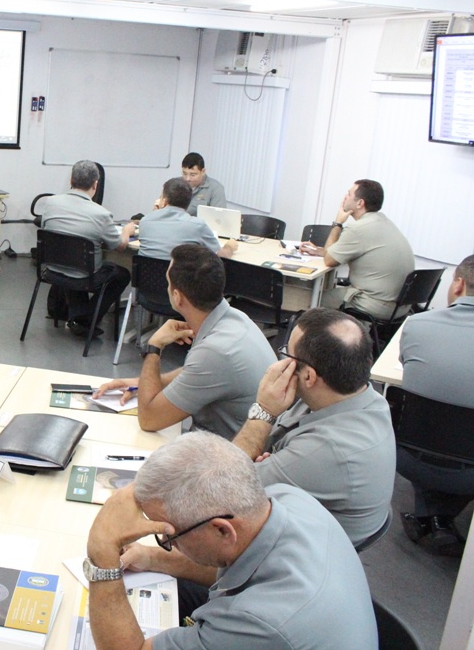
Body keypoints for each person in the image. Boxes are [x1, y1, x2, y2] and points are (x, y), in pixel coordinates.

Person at [86, 431, 377, 650]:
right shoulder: (289, 500)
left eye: (170, 536)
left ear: (222, 530)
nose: (168, 543)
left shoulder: (258, 621)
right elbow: (232, 564)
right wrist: (152, 557)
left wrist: (102, 556)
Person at [231, 307, 395, 547]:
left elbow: (225, 488)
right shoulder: (362, 398)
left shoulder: (328, 450)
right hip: (296, 522)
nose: (284, 361)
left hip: (287, 558)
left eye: (288, 354)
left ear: (309, 376)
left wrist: (263, 411)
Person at [95, 244, 274, 439]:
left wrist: (154, 347)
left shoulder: (216, 352)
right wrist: (141, 384)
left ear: (177, 296)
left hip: (223, 458)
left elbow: (148, 420)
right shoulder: (235, 319)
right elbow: (198, 373)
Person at [397, 254, 474, 556]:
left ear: (458, 284)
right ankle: (442, 517)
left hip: (406, 457)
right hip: (469, 472)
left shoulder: (416, 325)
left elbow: (407, 370)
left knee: (432, 420)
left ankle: (430, 515)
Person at [39, 159, 138, 337]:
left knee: (73, 260)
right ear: (95, 184)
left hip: (52, 269)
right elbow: (119, 245)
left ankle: (78, 316)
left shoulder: (50, 203)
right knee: (121, 274)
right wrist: (127, 230)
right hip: (82, 275)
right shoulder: (100, 214)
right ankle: (86, 319)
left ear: (71, 180)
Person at [300, 179, 414, 320]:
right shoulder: (383, 222)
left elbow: (329, 261)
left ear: (360, 203)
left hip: (376, 305)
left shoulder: (358, 229)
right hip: (400, 306)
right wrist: (322, 251)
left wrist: (338, 223)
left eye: (348, 194)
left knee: (311, 298)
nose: (345, 197)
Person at [137, 178, 238, 260]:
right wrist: (230, 246)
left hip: (146, 282)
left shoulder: (145, 221)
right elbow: (222, 255)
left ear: (164, 200)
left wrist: (157, 211)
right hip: (180, 283)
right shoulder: (197, 226)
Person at [181, 152, 227, 216]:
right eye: (185, 174)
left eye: (193, 175)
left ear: (203, 171)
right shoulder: (175, 185)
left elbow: (219, 217)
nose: (187, 178)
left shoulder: (216, 188)